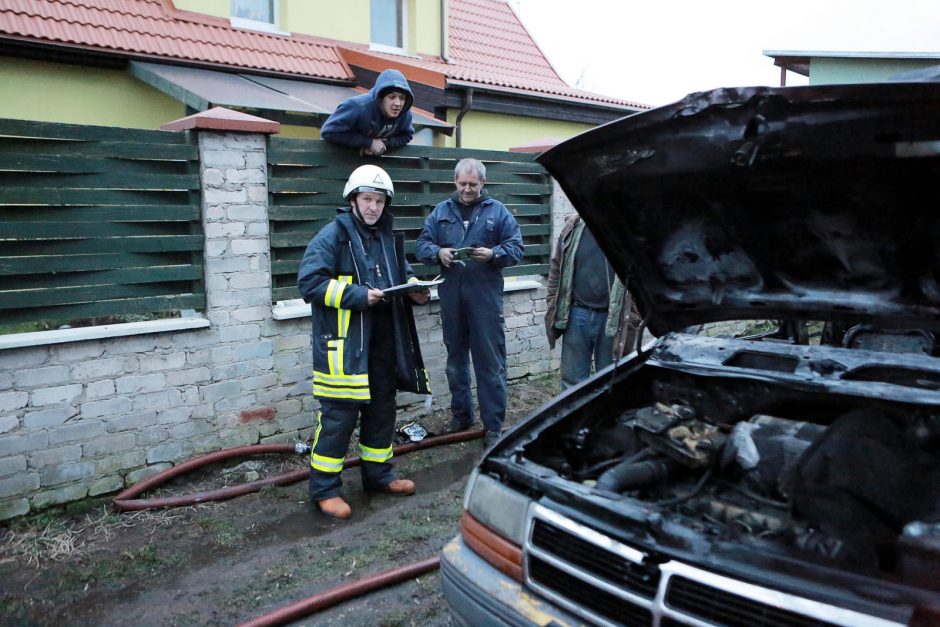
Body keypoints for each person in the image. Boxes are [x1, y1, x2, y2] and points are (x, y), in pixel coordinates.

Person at [297, 164, 431, 519]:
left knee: (382, 412)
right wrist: (358, 296)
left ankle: (379, 475)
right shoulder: (332, 236)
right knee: (339, 418)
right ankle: (324, 490)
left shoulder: (387, 238)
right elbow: (309, 283)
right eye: (368, 199)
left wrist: (417, 289)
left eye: (379, 201)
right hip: (345, 347)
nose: (373, 207)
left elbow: (400, 273)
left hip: (384, 344)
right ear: (353, 200)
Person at [415, 158, 524, 449]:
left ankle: (493, 425)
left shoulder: (497, 212)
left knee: (490, 363)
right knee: (456, 362)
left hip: (485, 300)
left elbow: (516, 247)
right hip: (452, 298)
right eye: (462, 184)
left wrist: (494, 254)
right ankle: (462, 416)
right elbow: (421, 246)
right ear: (455, 182)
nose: (466, 189)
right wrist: (439, 253)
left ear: (482, 184)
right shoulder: (440, 212)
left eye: (472, 185)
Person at [545, 212, 640, 390]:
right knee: (572, 382)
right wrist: (552, 299)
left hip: (613, 321)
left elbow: (643, 278)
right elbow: (556, 268)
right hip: (576, 315)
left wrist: (634, 315)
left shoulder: (627, 234)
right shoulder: (573, 229)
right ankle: (576, 418)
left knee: (610, 382)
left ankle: (605, 418)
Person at [320, 69, 415, 156]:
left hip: (372, 163)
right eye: (391, 97)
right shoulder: (358, 106)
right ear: (380, 98)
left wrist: (383, 144)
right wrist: (369, 143)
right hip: (335, 159)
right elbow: (329, 132)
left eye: (402, 98)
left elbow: (407, 135)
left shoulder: (405, 113)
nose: (398, 103)